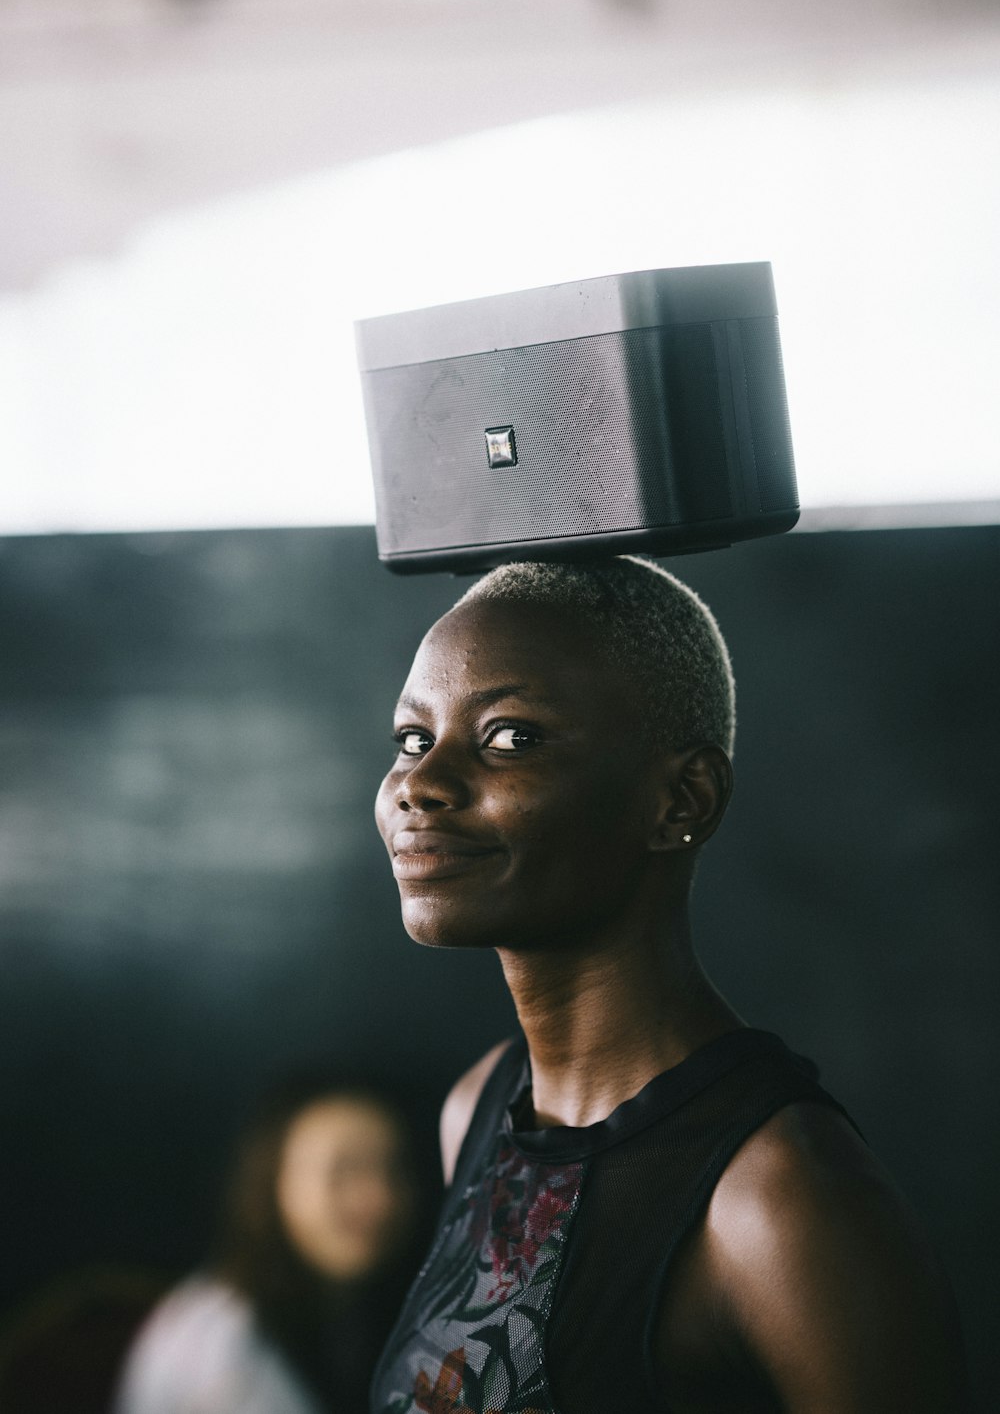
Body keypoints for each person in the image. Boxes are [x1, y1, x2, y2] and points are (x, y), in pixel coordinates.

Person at [370, 556, 970, 1414]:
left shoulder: (778, 1198)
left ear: (681, 799)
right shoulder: (478, 1110)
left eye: (510, 737)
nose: (419, 785)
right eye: (413, 739)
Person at [116, 1077, 417, 1414]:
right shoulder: (222, 1344)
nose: (381, 1198)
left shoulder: (355, 1317)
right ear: (272, 1180)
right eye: (345, 1170)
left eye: (394, 1168)